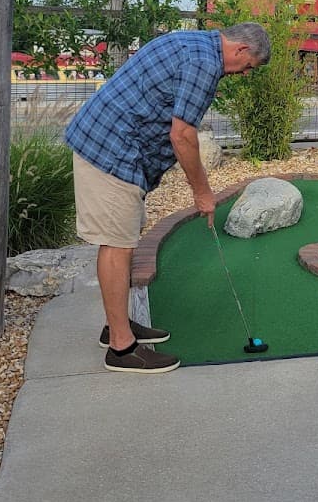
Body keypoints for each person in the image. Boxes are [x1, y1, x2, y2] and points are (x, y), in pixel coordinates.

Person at [64, 22, 271, 375]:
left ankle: (118, 326)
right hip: (109, 150)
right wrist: (203, 191)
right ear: (239, 50)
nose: (243, 74)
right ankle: (121, 347)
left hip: (107, 141)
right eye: (248, 66)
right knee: (117, 245)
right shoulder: (206, 64)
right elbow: (183, 136)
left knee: (120, 241)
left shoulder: (192, 43)